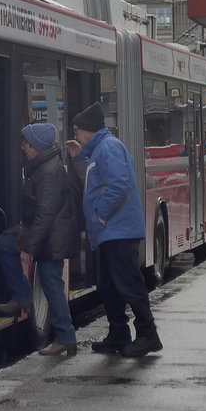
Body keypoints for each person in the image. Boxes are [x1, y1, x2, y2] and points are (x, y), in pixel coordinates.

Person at [65, 102, 161, 357]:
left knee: (129, 284)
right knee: (109, 285)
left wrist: (101, 216)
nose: (75, 135)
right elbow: (95, 183)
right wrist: (78, 159)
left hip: (118, 231)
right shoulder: (99, 150)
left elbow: (119, 186)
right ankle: (118, 333)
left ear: (88, 130)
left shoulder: (108, 148)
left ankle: (148, 334)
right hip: (110, 233)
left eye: (77, 131)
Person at [0, 123, 80, 357]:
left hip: (51, 238)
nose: (22, 147)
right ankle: (23, 296)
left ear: (38, 147)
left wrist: (29, 247)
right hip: (44, 233)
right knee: (4, 244)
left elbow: (45, 212)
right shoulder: (41, 167)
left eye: (26, 143)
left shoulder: (49, 171)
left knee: (51, 283)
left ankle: (66, 337)